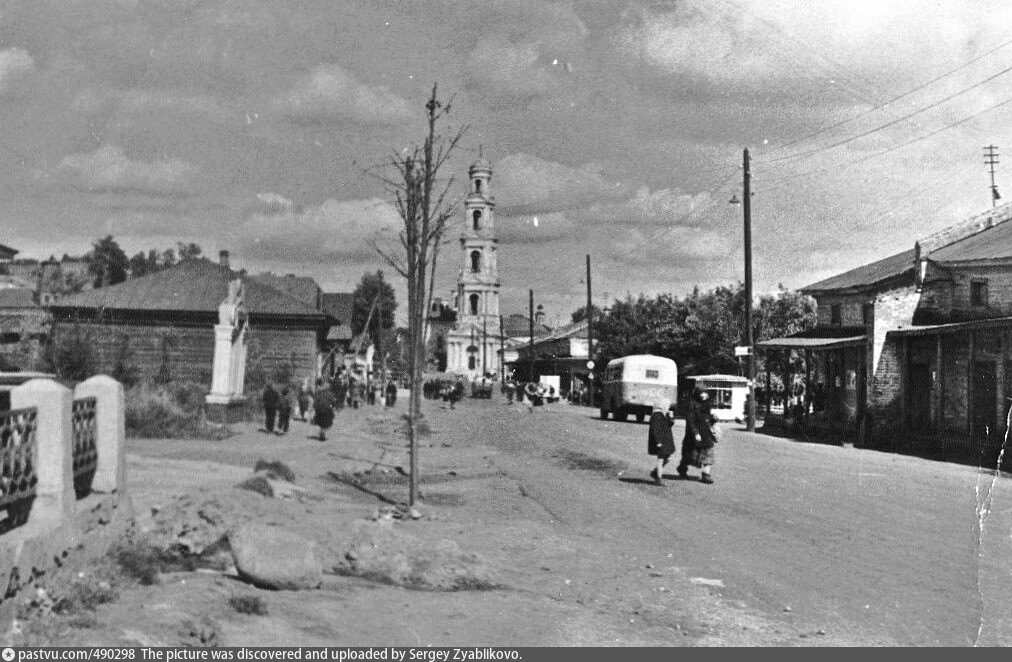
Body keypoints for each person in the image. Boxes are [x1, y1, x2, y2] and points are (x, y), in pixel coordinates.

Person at [678, 387, 718, 484]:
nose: (704, 396)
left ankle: (706, 475)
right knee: (690, 455)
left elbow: (707, 419)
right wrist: (695, 433)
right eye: (702, 393)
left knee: (708, 452)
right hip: (694, 435)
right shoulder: (692, 404)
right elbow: (690, 420)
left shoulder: (707, 404)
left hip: (706, 434)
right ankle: (682, 469)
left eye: (705, 394)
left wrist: (714, 419)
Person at [647, 404, 676, 486]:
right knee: (661, 459)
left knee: (668, 458)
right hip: (660, 442)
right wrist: (658, 441)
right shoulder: (656, 416)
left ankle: (656, 472)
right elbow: (655, 429)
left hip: (666, 441)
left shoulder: (664, 415)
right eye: (667, 407)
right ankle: (658, 478)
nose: (668, 409)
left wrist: (671, 417)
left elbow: (669, 425)